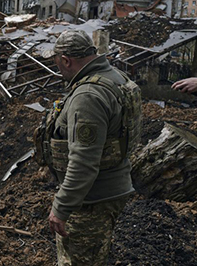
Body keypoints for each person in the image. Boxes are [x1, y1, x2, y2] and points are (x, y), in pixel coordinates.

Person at [34, 30, 142, 265]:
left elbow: (84, 162)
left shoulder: (88, 96)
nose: (57, 68)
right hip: (109, 188)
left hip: (91, 200)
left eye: (57, 62)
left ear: (65, 60)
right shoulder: (115, 77)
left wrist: (62, 207)